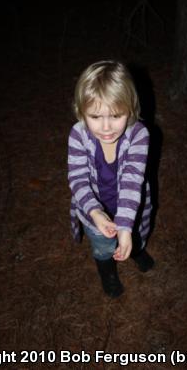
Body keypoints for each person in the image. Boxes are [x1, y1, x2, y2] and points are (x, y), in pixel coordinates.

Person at [68, 60, 154, 298]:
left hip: (131, 205)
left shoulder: (139, 135)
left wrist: (125, 227)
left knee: (136, 234)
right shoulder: (78, 134)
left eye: (116, 115)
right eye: (95, 116)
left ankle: (137, 250)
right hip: (93, 210)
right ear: (81, 111)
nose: (106, 127)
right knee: (103, 246)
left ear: (131, 108)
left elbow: (132, 181)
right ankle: (108, 272)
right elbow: (77, 178)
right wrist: (95, 213)